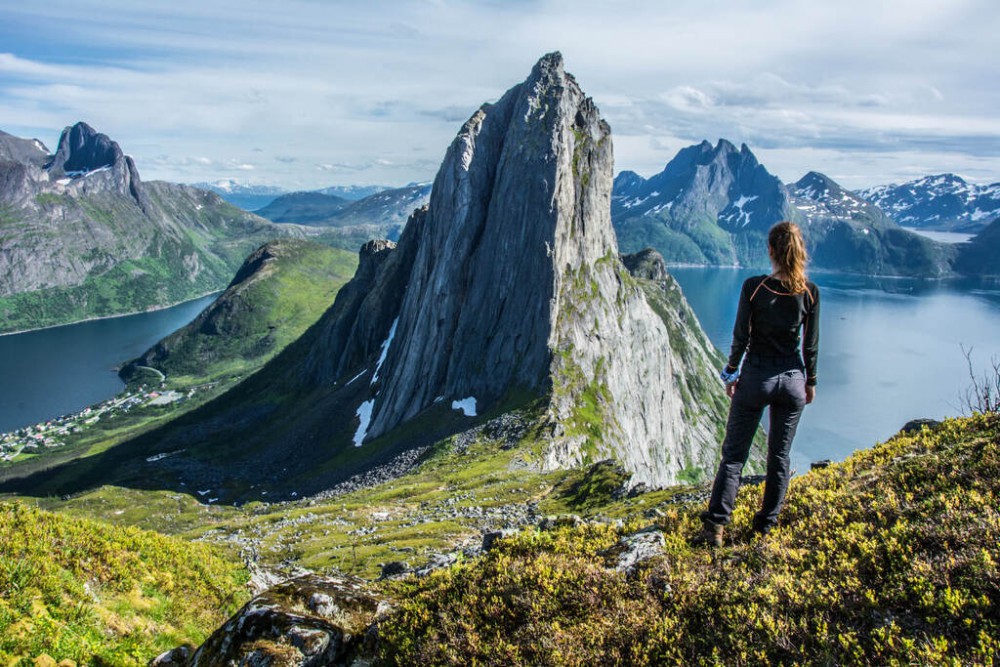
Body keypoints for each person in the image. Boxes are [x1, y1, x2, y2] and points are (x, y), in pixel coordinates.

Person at [695, 220, 820, 547]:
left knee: (734, 455)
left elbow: (740, 336)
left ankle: (716, 527)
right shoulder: (810, 292)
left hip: (756, 377)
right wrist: (811, 382)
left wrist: (731, 372)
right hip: (793, 379)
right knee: (779, 456)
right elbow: (810, 345)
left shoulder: (753, 287)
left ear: (771, 251)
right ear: (799, 251)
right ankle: (765, 527)